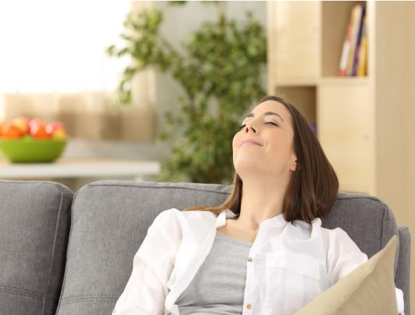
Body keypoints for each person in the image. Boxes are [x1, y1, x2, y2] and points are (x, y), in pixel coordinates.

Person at [112, 95, 405, 315]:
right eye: (245, 123)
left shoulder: (328, 245)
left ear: (296, 159)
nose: (249, 125)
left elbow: (385, 303)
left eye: (270, 122)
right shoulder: (178, 227)